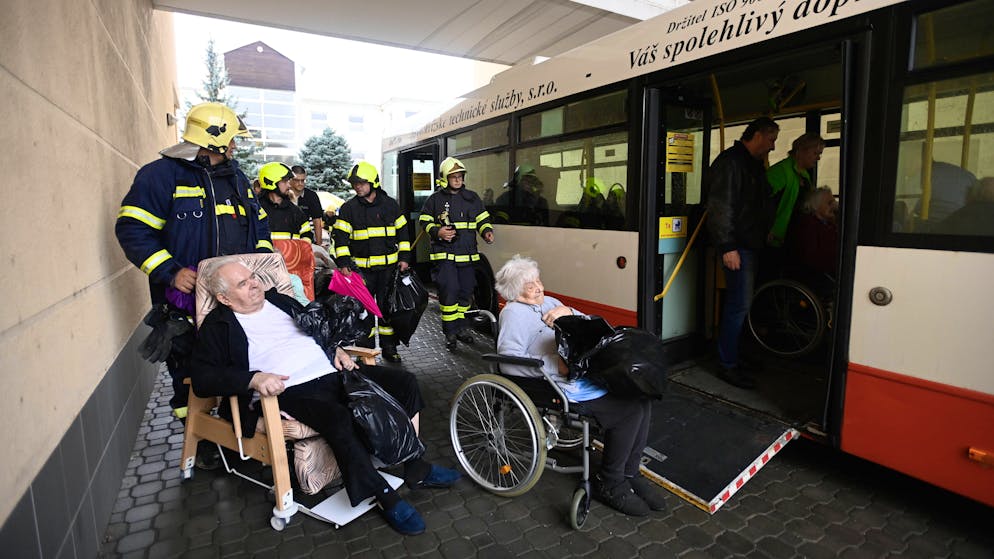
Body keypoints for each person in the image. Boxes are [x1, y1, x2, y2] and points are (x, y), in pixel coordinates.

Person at [190, 257, 461, 536]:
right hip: (291, 389)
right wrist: (253, 378)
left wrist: (335, 349)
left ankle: (415, 466)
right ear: (223, 298)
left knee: (404, 382)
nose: (254, 285)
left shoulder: (280, 301)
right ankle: (383, 494)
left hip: (333, 372)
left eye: (253, 277)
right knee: (338, 415)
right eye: (243, 284)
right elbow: (201, 379)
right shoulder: (218, 325)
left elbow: (318, 328)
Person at [116, 102, 273, 419]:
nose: (234, 146)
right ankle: (198, 444)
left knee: (238, 364)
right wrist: (170, 272)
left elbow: (260, 226)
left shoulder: (236, 179)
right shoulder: (160, 176)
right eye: (231, 139)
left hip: (234, 300)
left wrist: (263, 267)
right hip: (185, 305)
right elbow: (132, 229)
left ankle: (238, 433)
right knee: (190, 376)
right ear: (214, 138)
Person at [494, 255, 668, 516]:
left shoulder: (550, 302)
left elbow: (589, 325)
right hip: (552, 383)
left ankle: (630, 472)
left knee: (641, 396)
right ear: (515, 290)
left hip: (581, 372)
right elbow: (508, 361)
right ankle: (609, 481)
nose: (539, 286)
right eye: (530, 285)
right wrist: (556, 365)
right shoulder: (513, 314)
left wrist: (568, 312)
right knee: (626, 412)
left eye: (538, 280)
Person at [706, 116, 779, 389]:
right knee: (738, 306)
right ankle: (727, 364)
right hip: (738, 246)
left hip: (751, 242)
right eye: (771, 140)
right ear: (758, 135)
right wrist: (727, 246)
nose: (772, 147)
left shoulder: (752, 165)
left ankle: (736, 355)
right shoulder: (731, 163)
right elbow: (720, 208)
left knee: (743, 305)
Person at [333, 161, 410, 363]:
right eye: (355, 183)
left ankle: (389, 348)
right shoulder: (348, 208)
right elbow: (340, 239)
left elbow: (403, 234)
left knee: (387, 310)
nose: (357, 187)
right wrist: (343, 262)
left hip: (388, 270)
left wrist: (404, 258)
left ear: (373, 183)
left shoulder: (391, 205)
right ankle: (365, 351)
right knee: (363, 314)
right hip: (361, 272)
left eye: (361, 183)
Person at [418, 157, 494, 351]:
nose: (458, 180)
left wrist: (486, 231)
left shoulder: (472, 198)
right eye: (454, 177)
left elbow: (482, 219)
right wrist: (438, 232)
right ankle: (450, 333)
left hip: (467, 256)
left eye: (460, 177)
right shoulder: (435, 200)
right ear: (445, 178)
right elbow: (424, 220)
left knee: (466, 291)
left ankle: (461, 328)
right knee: (449, 292)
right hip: (445, 257)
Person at [766, 133, 825, 248]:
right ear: (800, 151)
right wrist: (766, 230)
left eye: (820, 154)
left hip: (793, 238)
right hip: (774, 239)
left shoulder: (805, 175)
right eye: (815, 153)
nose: (818, 158)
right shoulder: (780, 172)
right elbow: (760, 203)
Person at [787, 187, 839, 286]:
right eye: (829, 203)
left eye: (833, 201)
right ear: (816, 206)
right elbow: (811, 257)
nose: (834, 205)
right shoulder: (808, 225)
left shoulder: (829, 223)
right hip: (816, 273)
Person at [257, 162, 313, 242]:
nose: (289, 185)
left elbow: (307, 234)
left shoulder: (295, 211)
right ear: (271, 182)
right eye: (284, 181)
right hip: (263, 254)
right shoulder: (255, 210)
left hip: (291, 254)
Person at [290, 165, 325, 245]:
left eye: (303, 180)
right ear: (290, 180)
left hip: (306, 239)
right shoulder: (284, 194)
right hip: (287, 240)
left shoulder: (311, 196)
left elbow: (317, 221)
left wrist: (319, 244)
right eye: (297, 180)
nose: (300, 183)